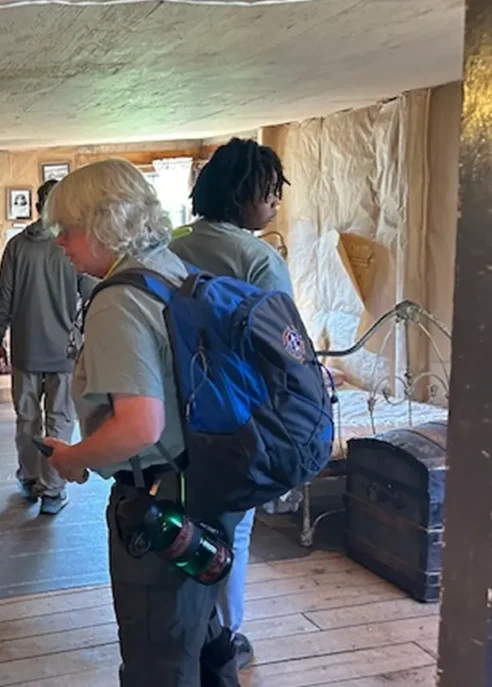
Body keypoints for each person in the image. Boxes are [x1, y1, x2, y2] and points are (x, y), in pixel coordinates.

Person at [43, 158, 240, 686]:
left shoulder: (118, 301)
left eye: (68, 229)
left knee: (157, 659)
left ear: (104, 223)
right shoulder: (171, 271)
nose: (60, 242)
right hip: (203, 484)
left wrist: (72, 460)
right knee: (203, 635)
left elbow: (139, 426)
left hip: (159, 505)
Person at [170, 137, 293, 669]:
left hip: (174, 408)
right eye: (269, 192)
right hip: (237, 417)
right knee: (231, 531)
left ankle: (182, 628)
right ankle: (223, 638)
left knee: (180, 520)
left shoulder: (169, 246)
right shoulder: (258, 260)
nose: (274, 203)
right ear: (244, 195)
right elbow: (286, 350)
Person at [0, 178, 94, 515]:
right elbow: (92, 291)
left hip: (25, 349)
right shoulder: (74, 245)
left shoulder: (17, 247)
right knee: (61, 420)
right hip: (65, 351)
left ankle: (30, 478)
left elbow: (3, 295)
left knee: (26, 419)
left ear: (37, 207)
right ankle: (53, 490)